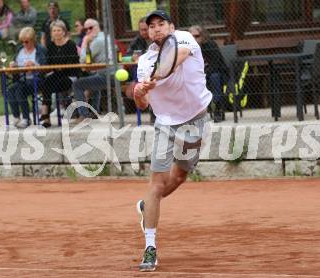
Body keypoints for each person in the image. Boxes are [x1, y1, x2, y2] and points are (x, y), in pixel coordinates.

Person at [133, 10, 212, 271]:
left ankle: (146, 206)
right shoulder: (144, 61)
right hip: (165, 123)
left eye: (161, 24)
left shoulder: (185, 39)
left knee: (178, 177)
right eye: (151, 26)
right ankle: (150, 247)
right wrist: (139, 92)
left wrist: (154, 78)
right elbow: (142, 104)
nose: (156, 29)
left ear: (171, 26)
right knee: (156, 183)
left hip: (195, 119)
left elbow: (175, 60)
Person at [71, 18, 114, 123]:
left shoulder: (98, 41)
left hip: (108, 76)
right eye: (85, 29)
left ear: (97, 27)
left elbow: (83, 59)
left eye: (90, 28)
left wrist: (85, 41)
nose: (88, 31)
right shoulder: (105, 36)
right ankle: (94, 112)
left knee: (77, 84)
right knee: (93, 78)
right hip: (112, 74)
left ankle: (84, 115)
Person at [39, 20, 79, 128]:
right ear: (51, 33)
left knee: (51, 84)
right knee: (46, 82)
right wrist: (54, 67)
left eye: (59, 30)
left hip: (69, 75)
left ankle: (45, 113)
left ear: (64, 32)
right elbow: (48, 62)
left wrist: (62, 66)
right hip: (56, 74)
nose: (56, 32)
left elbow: (74, 62)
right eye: (54, 30)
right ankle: (46, 116)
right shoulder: (51, 45)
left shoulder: (70, 44)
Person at [7, 27, 46, 128]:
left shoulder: (40, 50)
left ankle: (26, 118)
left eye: (26, 42)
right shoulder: (20, 49)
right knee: (10, 90)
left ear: (33, 40)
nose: (24, 44)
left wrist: (34, 65)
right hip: (22, 78)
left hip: (37, 79)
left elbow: (45, 66)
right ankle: (16, 116)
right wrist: (13, 64)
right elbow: (16, 63)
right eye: (22, 42)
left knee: (20, 90)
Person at [189, 25, 228, 122]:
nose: (194, 39)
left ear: (202, 36)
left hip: (217, 73)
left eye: (197, 36)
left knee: (214, 77)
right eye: (192, 36)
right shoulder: (187, 48)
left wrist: (202, 76)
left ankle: (217, 109)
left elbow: (215, 66)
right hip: (200, 75)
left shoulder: (210, 45)